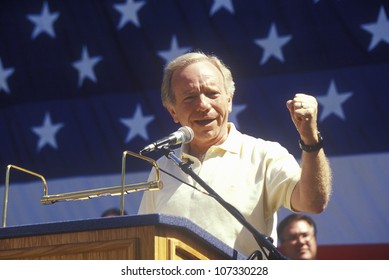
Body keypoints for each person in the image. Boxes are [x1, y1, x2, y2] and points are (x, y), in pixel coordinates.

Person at [138, 51, 332, 258]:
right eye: (190, 97)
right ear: (173, 112)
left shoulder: (264, 155)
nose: (203, 105)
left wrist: (310, 140)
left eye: (212, 94)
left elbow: (313, 202)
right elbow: (144, 241)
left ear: (229, 100)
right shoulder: (163, 167)